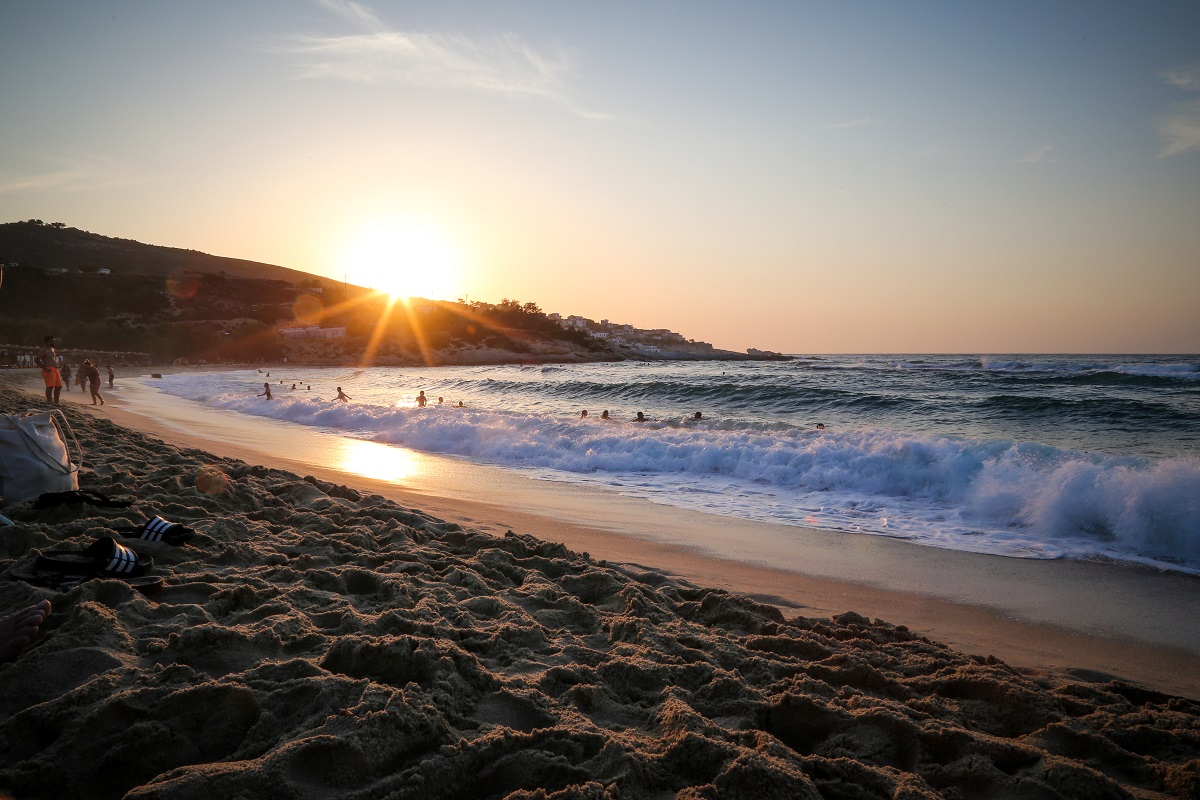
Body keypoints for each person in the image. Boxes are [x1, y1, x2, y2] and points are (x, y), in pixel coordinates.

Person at [35, 336, 62, 404]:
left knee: (59, 386)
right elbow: (36, 359)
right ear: (48, 341)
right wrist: (45, 368)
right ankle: (49, 402)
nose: (54, 342)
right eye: (52, 340)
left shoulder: (52, 349)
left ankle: (56, 402)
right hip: (49, 369)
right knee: (50, 386)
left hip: (54, 370)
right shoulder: (44, 350)